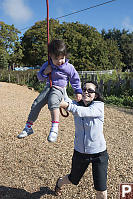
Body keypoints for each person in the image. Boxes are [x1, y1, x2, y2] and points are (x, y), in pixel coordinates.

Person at [17, 39, 82, 142]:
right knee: (36, 104)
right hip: (48, 87)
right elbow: (40, 78)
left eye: (62, 58)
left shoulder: (69, 67)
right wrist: (45, 73)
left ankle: (54, 129)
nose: (60, 61)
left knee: (53, 102)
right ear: (50, 56)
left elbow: (75, 79)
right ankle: (28, 127)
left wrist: (78, 91)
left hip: (59, 89)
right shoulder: (47, 64)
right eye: (57, 58)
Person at [55, 81, 109, 199]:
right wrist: (58, 81)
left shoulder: (99, 106)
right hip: (80, 152)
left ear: (96, 94)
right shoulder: (75, 104)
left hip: (99, 154)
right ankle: (59, 182)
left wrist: (66, 105)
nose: (86, 92)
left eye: (90, 90)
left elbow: (84, 112)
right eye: (84, 89)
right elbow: (63, 97)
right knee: (72, 179)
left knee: (101, 190)